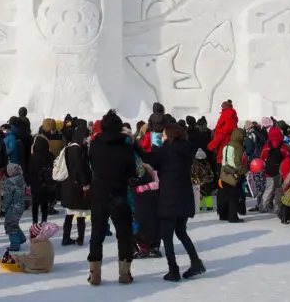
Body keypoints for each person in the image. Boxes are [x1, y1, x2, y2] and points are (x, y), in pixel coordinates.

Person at [139, 123, 206, 282]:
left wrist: (137, 145)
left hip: (169, 197)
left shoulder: (166, 151)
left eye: (163, 135)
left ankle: (173, 270)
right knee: (181, 232)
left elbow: (149, 160)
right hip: (184, 196)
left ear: (169, 136)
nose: (161, 137)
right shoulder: (186, 149)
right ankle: (195, 262)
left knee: (166, 236)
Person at [86, 110, 137, 286]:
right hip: (119, 191)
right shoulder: (126, 145)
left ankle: (95, 274)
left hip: (99, 191)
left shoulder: (95, 145)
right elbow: (131, 171)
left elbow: (91, 163)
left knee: (97, 233)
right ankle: (124, 272)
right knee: (124, 233)